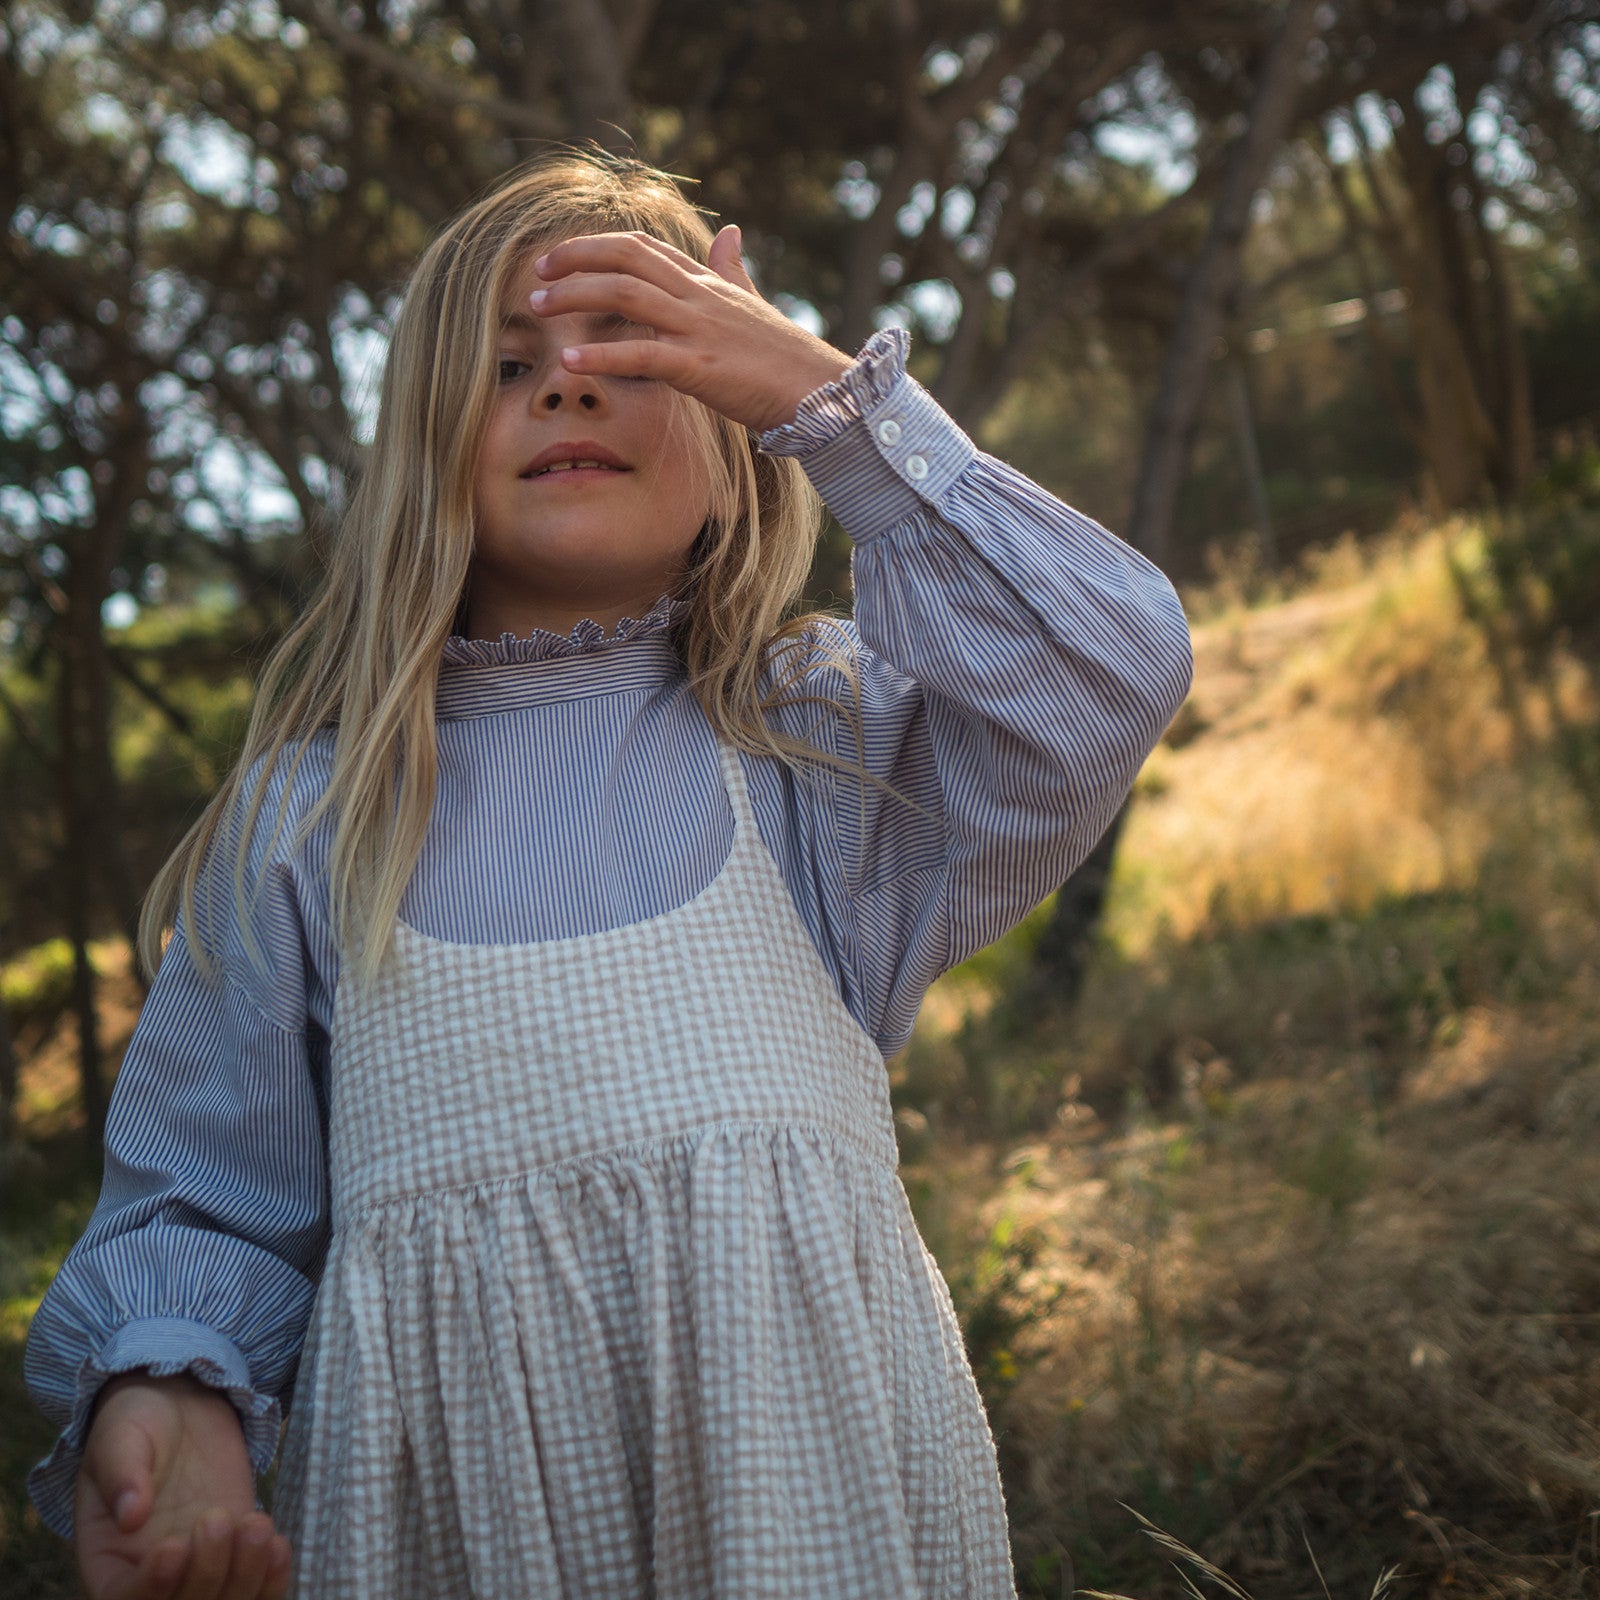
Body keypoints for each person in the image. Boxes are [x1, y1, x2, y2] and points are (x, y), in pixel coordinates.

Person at [24, 148, 1193, 1600]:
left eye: (635, 352)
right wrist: (172, 1398)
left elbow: (1109, 667)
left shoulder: (816, 745)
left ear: (732, 434)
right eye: (510, 365)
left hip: (809, 1519)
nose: (567, 386)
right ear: (425, 448)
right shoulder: (311, 822)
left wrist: (836, 409)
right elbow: (207, 1207)